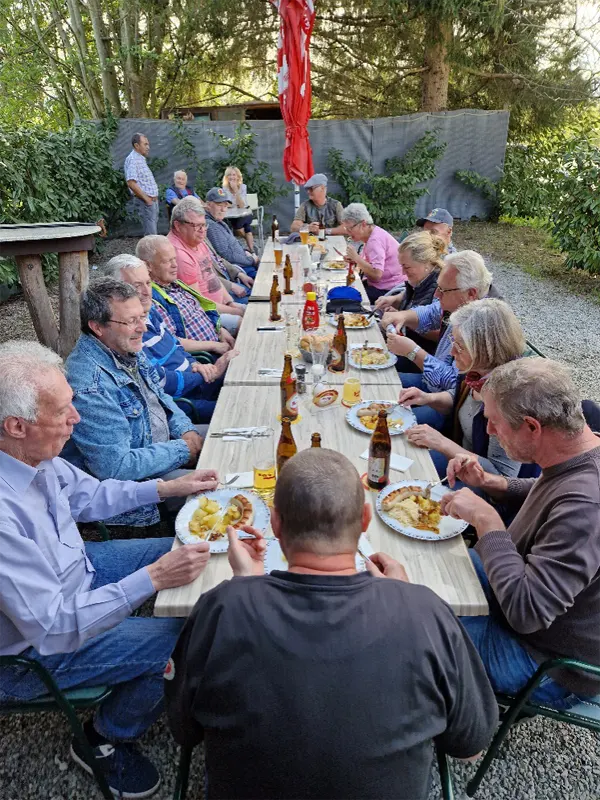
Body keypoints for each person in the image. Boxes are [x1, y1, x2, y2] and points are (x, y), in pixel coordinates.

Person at [164, 449, 498, 800]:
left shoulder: (220, 608)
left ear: (275, 524)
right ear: (366, 519)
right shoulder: (425, 611)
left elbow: (184, 730)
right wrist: (403, 596)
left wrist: (243, 587)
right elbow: (469, 748)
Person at [0, 339, 219, 798]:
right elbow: (54, 627)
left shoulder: (31, 456)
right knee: (189, 640)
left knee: (196, 547)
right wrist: (154, 579)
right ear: (16, 426)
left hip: (78, 572)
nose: (75, 420)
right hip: (29, 654)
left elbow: (93, 496)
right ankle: (105, 738)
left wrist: (168, 487)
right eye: (62, 412)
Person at [439, 358, 600, 708]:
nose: (490, 431)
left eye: (494, 422)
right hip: (520, 594)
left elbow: (526, 612)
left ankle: (465, 728)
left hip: (544, 658)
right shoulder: (581, 449)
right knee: (432, 568)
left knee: (417, 630)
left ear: (531, 426)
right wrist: (491, 482)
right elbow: (551, 486)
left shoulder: (587, 506)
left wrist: (488, 521)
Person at [63, 279, 205, 528]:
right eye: (131, 321)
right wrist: (183, 449)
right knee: (225, 485)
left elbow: (161, 398)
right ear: (97, 327)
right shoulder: (89, 384)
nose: (143, 328)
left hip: (166, 448)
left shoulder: (125, 347)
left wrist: (187, 430)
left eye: (143, 316)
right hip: (145, 485)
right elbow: (116, 467)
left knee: (238, 439)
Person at [99, 255, 237, 423]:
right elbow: (162, 382)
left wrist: (195, 365)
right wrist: (210, 373)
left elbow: (176, 345)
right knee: (238, 409)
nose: (146, 291)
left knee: (245, 368)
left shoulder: (150, 312)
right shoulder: (128, 331)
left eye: (148, 283)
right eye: (136, 286)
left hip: (197, 380)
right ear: (115, 293)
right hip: (183, 402)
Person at [404, 299, 528, 481]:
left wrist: (442, 443)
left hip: (482, 487)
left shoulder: (510, 397)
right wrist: (428, 398)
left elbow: (503, 479)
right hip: (459, 460)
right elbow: (463, 401)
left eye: (460, 346)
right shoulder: (476, 370)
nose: (452, 352)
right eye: (452, 341)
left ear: (486, 349)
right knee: (403, 454)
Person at [382, 250, 494, 429]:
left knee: (389, 423)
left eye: (443, 290)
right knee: (381, 383)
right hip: (431, 386)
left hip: (449, 406)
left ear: (471, 293)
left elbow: (454, 384)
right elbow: (433, 311)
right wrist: (403, 315)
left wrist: (413, 352)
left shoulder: (483, 326)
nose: (436, 295)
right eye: (437, 287)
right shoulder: (465, 300)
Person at [136, 234, 241, 346]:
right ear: (148, 266)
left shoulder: (175, 284)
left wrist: (220, 330)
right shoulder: (151, 299)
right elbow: (172, 341)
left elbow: (202, 310)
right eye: (167, 261)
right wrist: (214, 346)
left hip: (217, 340)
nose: (175, 265)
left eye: (175, 259)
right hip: (205, 356)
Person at [165, 200, 247, 334]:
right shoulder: (179, 255)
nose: (202, 231)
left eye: (204, 225)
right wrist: (235, 311)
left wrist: (230, 302)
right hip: (205, 314)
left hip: (220, 305)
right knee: (248, 323)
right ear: (178, 226)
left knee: (259, 313)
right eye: (196, 226)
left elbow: (212, 276)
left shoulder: (196, 241)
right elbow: (199, 303)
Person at [373, 232, 445, 350]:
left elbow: (441, 334)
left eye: (406, 267)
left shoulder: (442, 287)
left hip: (422, 355)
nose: (402, 272)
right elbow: (410, 297)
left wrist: (404, 318)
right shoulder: (421, 277)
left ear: (426, 263)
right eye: (401, 266)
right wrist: (392, 300)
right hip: (406, 344)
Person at [340, 203, 406, 304]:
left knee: (346, 299)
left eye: (350, 229)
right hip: (385, 284)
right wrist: (356, 260)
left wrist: (357, 258)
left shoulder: (374, 241)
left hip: (390, 289)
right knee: (347, 289)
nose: (348, 233)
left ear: (363, 224)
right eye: (346, 229)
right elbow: (369, 263)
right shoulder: (373, 233)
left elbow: (376, 275)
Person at [204, 187, 259, 278]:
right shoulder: (211, 226)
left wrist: (246, 252)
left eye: (225, 205)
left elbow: (233, 244)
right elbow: (226, 255)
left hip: (244, 264)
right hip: (240, 270)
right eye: (219, 205)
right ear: (208, 205)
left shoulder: (218, 221)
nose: (223, 209)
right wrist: (251, 260)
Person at [123, 133, 159, 236]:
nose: (148, 147)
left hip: (151, 202)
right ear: (136, 146)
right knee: (151, 236)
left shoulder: (139, 158)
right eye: (145, 144)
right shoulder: (133, 159)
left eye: (148, 144)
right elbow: (131, 183)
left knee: (152, 234)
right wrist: (147, 200)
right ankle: (151, 252)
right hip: (146, 202)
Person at [222, 165, 255, 252]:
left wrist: (236, 190)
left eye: (234, 175)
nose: (232, 177)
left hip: (245, 213)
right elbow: (226, 203)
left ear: (238, 177)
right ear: (226, 177)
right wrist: (230, 204)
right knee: (246, 228)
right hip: (232, 215)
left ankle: (251, 249)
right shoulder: (224, 189)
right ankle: (252, 248)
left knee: (240, 227)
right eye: (229, 175)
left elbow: (241, 205)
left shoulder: (243, 187)